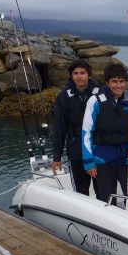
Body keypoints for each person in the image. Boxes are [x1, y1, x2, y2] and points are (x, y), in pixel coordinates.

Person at [82, 63, 128, 203]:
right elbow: (86, 133)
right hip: (103, 159)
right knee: (107, 201)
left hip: (126, 160)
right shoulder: (94, 101)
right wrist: (89, 163)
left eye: (121, 81)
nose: (118, 85)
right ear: (107, 82)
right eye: (114, 81)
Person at [52, 59, 100, 195]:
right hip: (76, 150)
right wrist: (57, 156)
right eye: (76, 73)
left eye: (83, 73)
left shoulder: (101, 93)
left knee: (103, 191)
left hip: (98, 148)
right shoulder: (63, 97)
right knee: (81, 192)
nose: (79, 76)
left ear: (89, 75)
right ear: (71, 76)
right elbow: (59, 127)